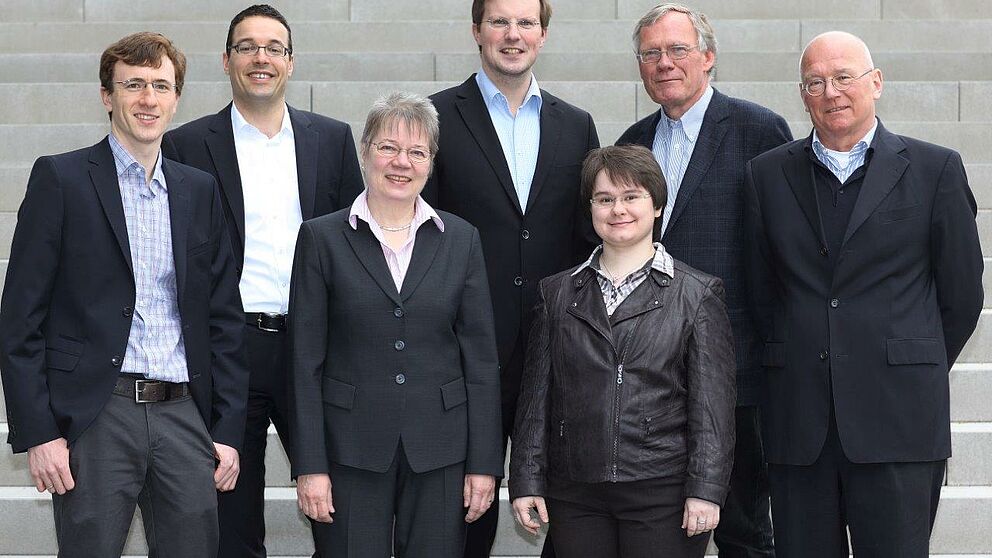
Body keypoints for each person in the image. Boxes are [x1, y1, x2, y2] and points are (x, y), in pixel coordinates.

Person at [0, 32, 247, 557]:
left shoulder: (199, 190)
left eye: (161, 85)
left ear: (176, 98)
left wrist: (227, 430)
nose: (148, 99)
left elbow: (224, 318)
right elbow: (20, 319)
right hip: (98, 414)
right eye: (133, 85)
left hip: (183, 412)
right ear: (106, 95)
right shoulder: (61, 179)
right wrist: (40, 432)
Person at [744, 31, 984, 557]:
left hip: (899, 417)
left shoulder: (935, 169)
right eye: (815, 82)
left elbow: (963, 295)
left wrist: (904, 359)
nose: (831, 92)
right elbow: (761, 294)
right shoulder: (766, 175)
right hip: (799, 421)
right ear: (802, 95)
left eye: (844, 77)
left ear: (876, 82)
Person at [162, 5, 364, 555]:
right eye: (247, 47)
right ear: (226, 60)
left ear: (291, 63)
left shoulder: (332, 139)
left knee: (342, 517)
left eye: (274, 48)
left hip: (316, 347)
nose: (261, 58)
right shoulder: (186, 146)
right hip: (231, 349)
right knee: (232, 525)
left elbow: (354, 246)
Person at [288, 92, 503, 558]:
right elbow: (304, 362)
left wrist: (485, 463)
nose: (401, 162)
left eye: (417, 152)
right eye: (388, 147)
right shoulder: (321, 238)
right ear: (365, 151)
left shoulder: (460, 239)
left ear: (431, 162)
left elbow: (482, 363)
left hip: (441, 449)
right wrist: (310, 465)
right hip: (350, 448)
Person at [423, 2, 600, 553]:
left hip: (556, 351)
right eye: (500, 21)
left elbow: (587, 238)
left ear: (543, 35)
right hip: (464, 350)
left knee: (568, 511)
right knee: (463, 514)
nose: (513, 34)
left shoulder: (576, 125)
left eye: (526, 23)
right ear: (477, 31)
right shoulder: (436, 116)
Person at [616, 6, 791, 554]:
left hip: (735, 371)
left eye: (677, 50)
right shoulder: (632, 142)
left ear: (708, 56)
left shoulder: (759, 130)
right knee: (657, 532)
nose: (664, 63)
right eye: (651, 53)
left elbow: (782, 253)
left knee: (744, 530)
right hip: (650, 376)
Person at [510, 144, 736, 558]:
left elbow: (712, 407)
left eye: (631, 196)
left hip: (663, 491)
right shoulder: (555, 293)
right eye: (604, 199)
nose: (618, 210)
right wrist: (525, 478)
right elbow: (535, 399)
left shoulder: (698, 294)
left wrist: (706, 488)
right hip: (576, 492)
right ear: (591, 209)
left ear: (657, 206)